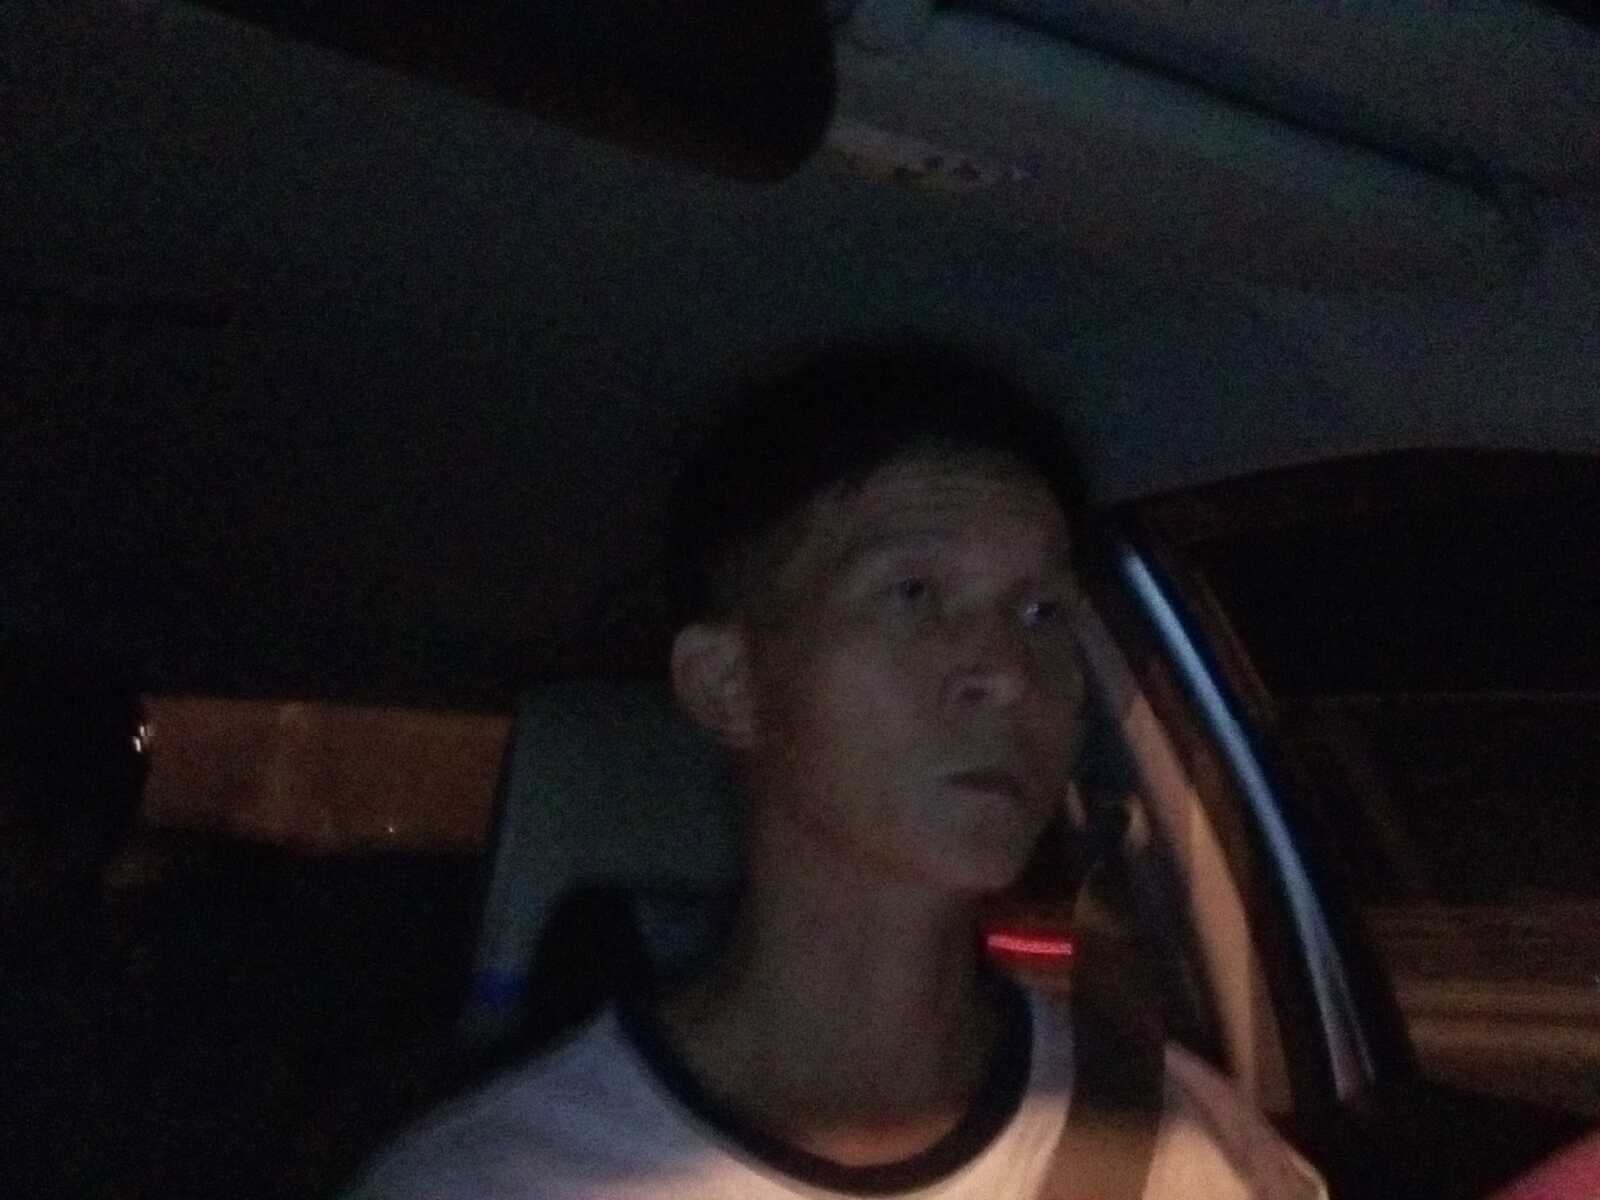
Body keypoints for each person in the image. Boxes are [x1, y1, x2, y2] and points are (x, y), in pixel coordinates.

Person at [348, 341, 1326, 1198]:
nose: (1006, 671)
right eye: (913, 594)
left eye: (1042, 612)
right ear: (727, 683)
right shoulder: (500, 1176)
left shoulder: (1188, 1148)